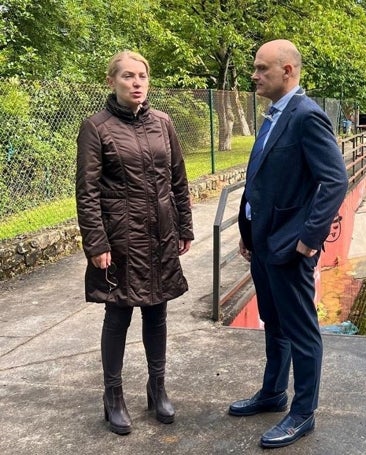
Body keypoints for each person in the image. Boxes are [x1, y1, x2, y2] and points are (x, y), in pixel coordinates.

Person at [233, 39, 348, 449]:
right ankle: (271, 393)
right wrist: (248, 234)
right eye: (255, 67)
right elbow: (260, 179)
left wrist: (307, 239)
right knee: (274, 324)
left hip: (288, 247)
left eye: (263, 68)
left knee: (301, 331)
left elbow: (334, 180)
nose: (254, 74)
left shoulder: (306, 116)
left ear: (288, 71)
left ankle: (302, 413)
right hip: (262, 244)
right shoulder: (273, 115)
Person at [75, 50, 193, 435]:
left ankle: (157, 389)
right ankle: (113, 397)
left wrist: (185, 228)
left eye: (142, 76)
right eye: (128, 76)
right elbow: (87, 192)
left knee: (157, 311)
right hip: (120, 240)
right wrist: (96, 243)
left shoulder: (163, 123)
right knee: (119, 313)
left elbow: (178, 179)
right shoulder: (96, 127)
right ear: (112, 81)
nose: (137, 83)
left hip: (161, 235)